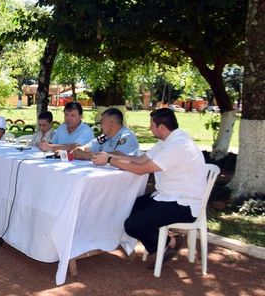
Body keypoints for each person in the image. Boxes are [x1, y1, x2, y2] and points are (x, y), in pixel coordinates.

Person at [92, 108, 207, 267]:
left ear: (161, 127)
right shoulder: (165, 141)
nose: (149, 128)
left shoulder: (178, 145)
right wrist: (110, 156)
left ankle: (169, 242)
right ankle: (166, 240)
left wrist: (110, 160)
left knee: (132, 225)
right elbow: (139, 160)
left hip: (184, 204)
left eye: (151, 125)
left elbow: (141, 169)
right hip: (166, 196)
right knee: (126, 207)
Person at [71, 107, 139, 160]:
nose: (100, 125)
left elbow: (120, 156)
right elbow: (87, 148)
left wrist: (88, 155)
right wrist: (79, 151)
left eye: (102, 122)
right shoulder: (105, 137)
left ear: (112, 123)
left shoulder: (127, 136)